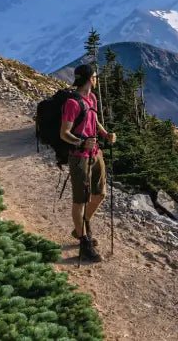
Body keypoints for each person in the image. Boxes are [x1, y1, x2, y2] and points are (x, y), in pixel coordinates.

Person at [59, 63, 116, 262]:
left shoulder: (91, 98)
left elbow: (93, 118)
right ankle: (84, 241)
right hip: (79, 156)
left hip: (95, 152)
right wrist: (82, 142)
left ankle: (80, 228)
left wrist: (104, 133)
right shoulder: (72, 103)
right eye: (95, 76)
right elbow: (64, 133)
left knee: (99, 194)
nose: (97, 78)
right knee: (80, 200)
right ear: (90, 78)